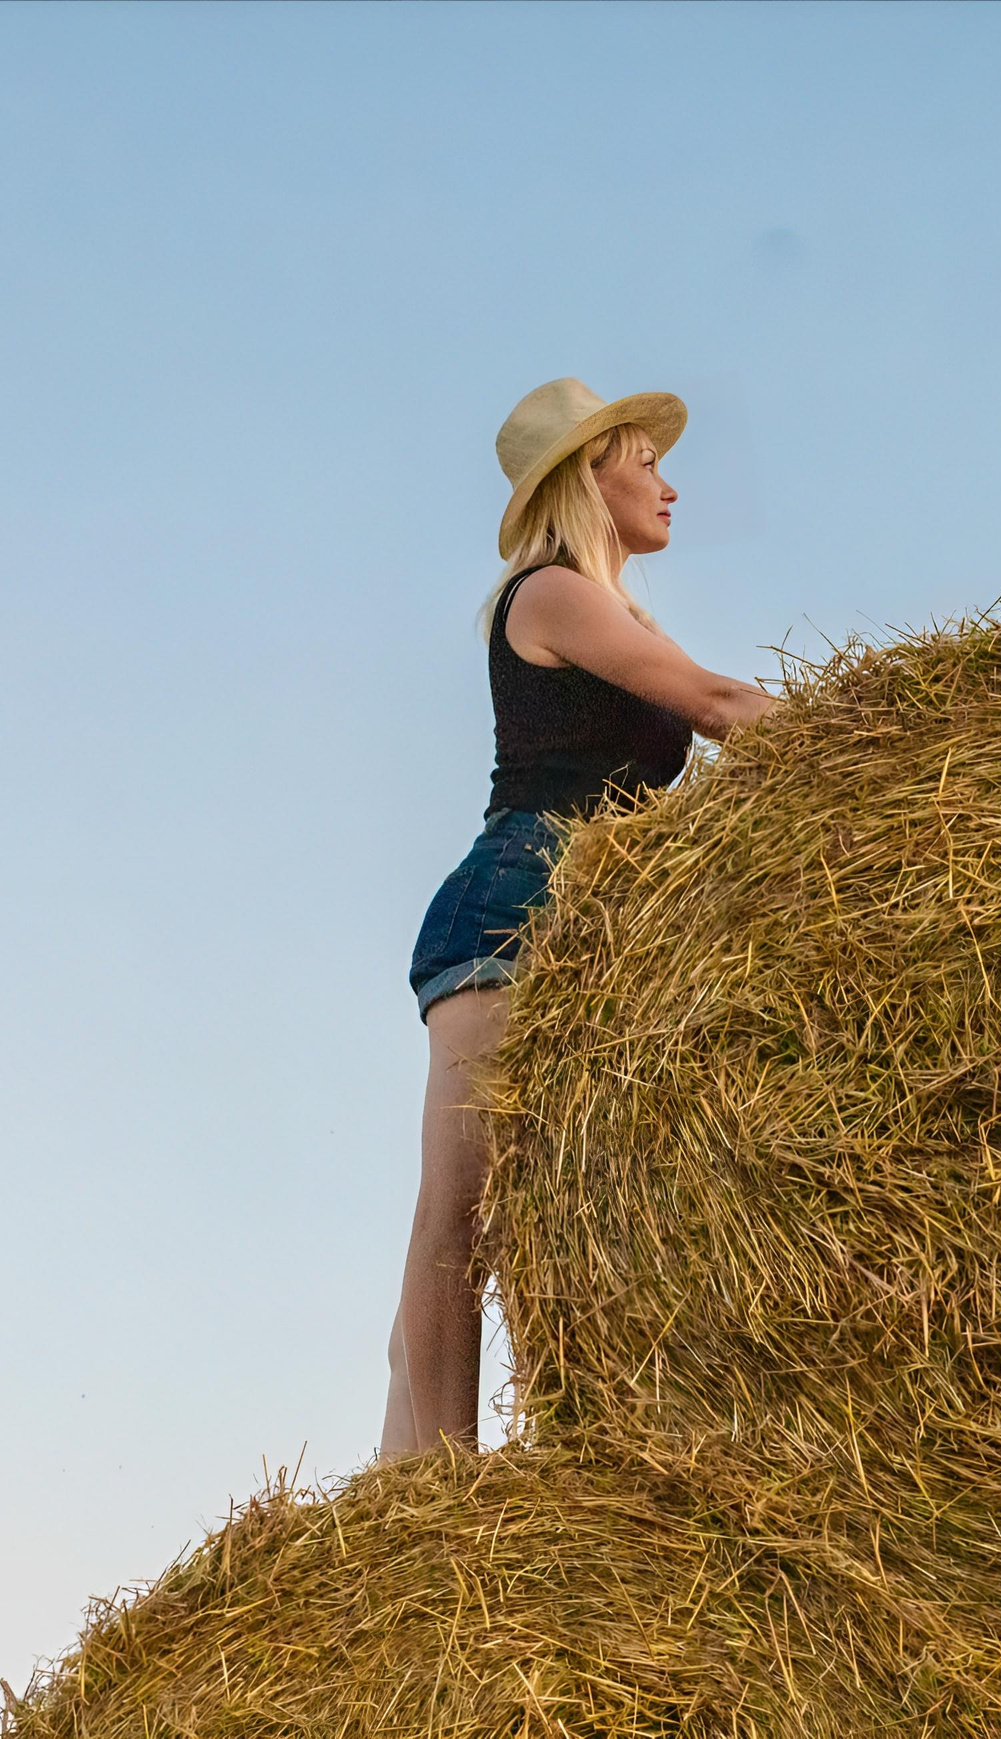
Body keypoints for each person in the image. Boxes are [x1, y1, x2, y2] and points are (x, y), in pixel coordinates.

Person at [381, 379, 774, 1458]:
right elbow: (720, 706)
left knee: (559, 1207)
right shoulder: (545, 592)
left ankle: (418, 1465)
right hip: (511, 914)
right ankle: (444, 1484)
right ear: (586, 479)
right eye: (645, 461)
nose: (670, 484)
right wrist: (895, 737)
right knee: (462, 1214)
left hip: (593, 937)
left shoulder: (621, 612)